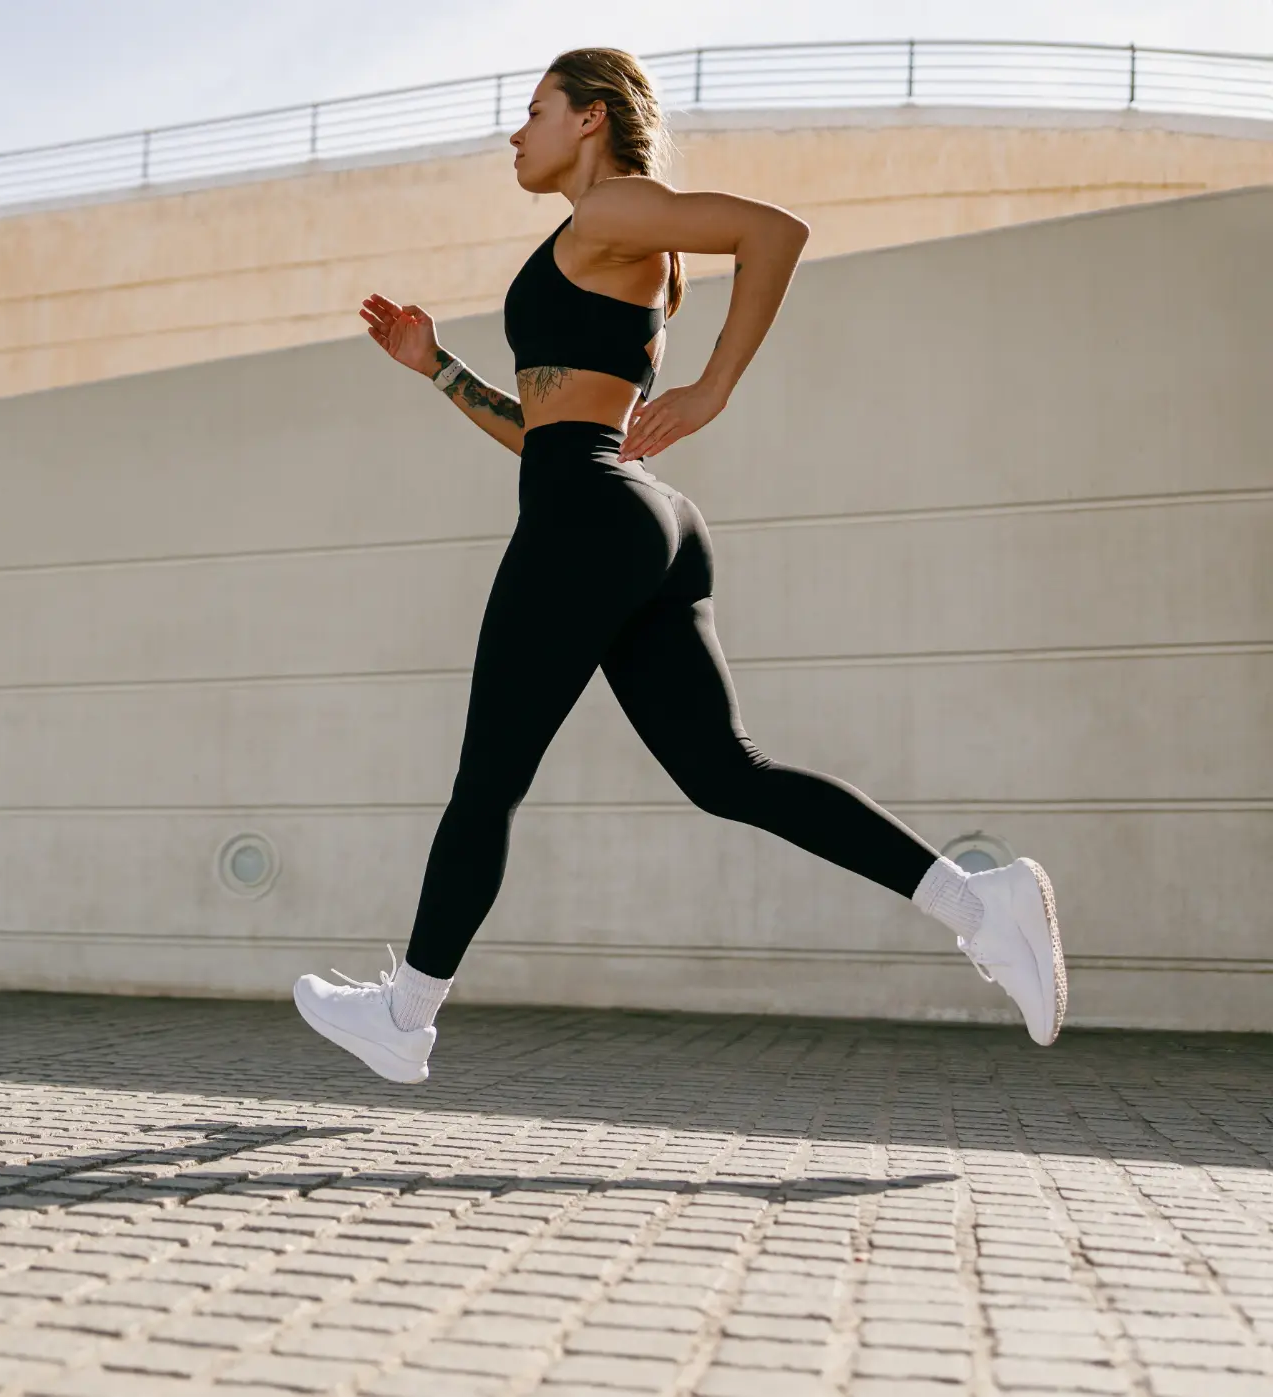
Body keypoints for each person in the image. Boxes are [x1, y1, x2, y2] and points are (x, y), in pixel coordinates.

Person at [291, 47, 1065, 1084]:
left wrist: (711, 389)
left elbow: (774, 233)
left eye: (534, 109)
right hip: (633, 512)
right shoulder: (606, 235)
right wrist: (438, 368)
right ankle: (980, 904)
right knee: (726, 775)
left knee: (488, 780)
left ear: (590, 117)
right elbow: (549, 433)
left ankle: (405, 1015)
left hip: (587, 518)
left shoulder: (613, 208)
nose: (514, 131)